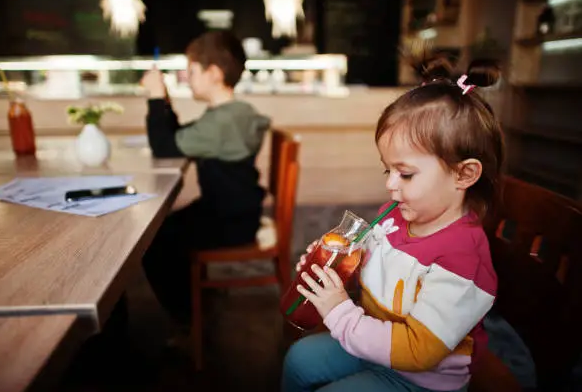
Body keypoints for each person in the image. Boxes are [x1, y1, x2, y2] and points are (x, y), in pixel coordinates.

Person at [281, 56, 504, 392]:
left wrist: (339, 310)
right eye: (389, 170)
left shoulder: (462, 258)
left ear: (463, 174)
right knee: (298, 358)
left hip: (422, 377)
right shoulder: (395, 216)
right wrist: (335, 272)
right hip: (372, 337)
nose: (390, 184)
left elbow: (418, 352)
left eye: (406, 173)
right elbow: (370, 265)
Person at [140, 30, 271, 320]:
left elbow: (164, 146)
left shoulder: (223, 121)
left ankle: (189, 319)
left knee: (152, 243)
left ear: (213, 73)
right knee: (160, 231)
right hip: (233, 211)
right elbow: (178, 139)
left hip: (229, 220)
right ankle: (196, 300)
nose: (186, 77)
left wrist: (154, 97)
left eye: (192, 70)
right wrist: (164, 101)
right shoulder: (229, 114)